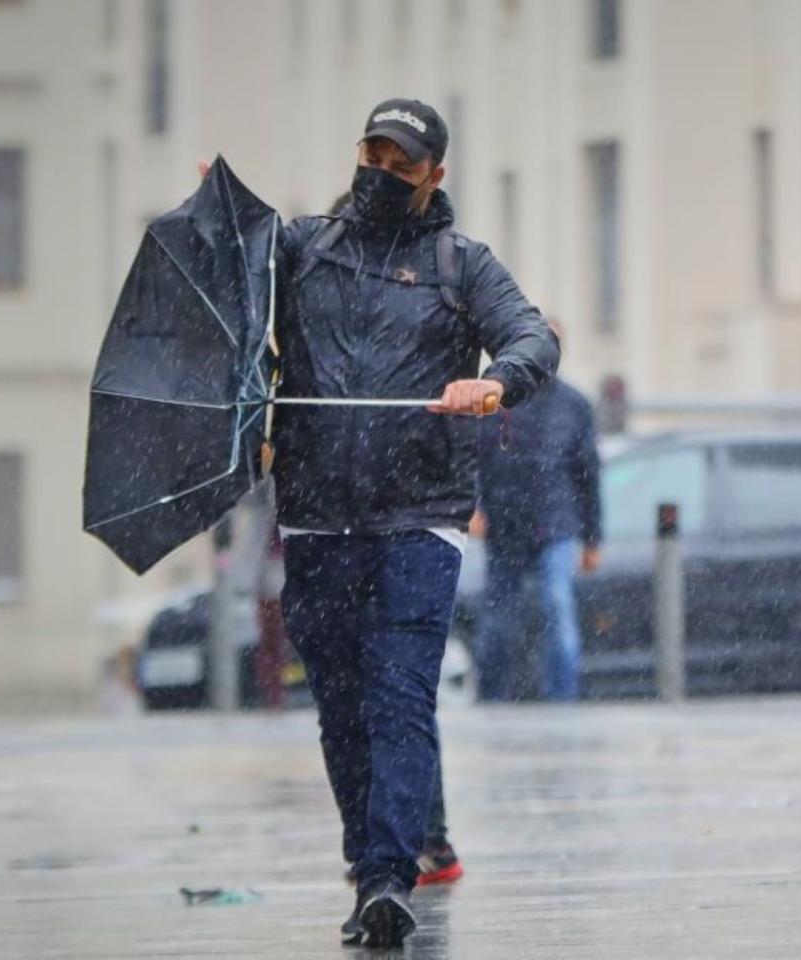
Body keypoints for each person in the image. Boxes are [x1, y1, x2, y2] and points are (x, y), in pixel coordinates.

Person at [259, 97, 557, 948]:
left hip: (418, 518)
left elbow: (532, 338)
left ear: (435, 174)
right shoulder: (301, 248)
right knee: (342, 707)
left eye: (402, 164)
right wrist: (223, 237)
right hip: (316, 517)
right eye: (373, 156)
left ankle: (390, 877)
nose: (382, 175)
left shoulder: (461, 264)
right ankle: (368, 865)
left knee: (398, 696)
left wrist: (497, 380)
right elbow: (232, 310)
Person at [473, 324, 603, 702]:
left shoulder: (574, 405)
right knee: (497, 624)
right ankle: (491, 698)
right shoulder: (497, 401)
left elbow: (588, 474)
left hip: (556, 526)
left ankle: (561, 700)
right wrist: (474, 506)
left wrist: (593, 538)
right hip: (504, 527)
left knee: (557, 609)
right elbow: (473, 459)